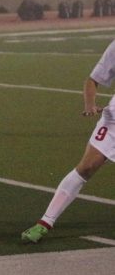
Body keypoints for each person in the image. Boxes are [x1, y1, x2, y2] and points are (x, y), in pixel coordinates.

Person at [21, 37, 115, 243]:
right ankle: (45, 222)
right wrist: (90, 104)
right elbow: (92, 80)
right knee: (87, 167)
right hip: (114, 122)